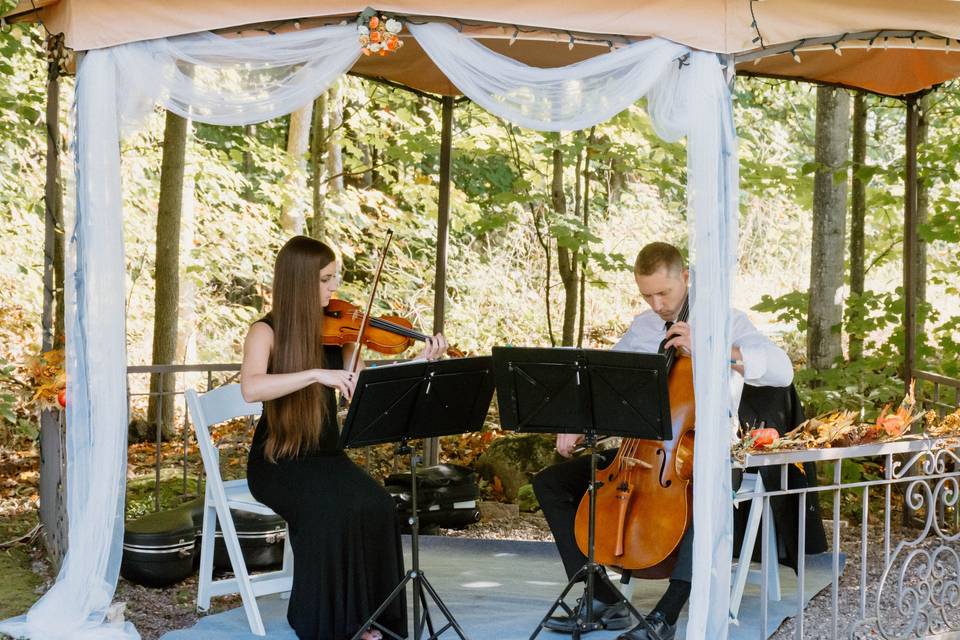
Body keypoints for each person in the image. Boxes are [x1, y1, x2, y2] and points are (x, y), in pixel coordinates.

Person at [532, 241, 793, 640]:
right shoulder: (643, 327)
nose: (656, 304)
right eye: (647, 295)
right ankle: (601, 595)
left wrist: (713, 349)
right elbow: (610, 383)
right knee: (551, 482)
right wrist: (576, 420)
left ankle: (666, 615)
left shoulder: (726, 321)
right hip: (639, 456)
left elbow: (782, 370)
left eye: (663, 293)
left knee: (708, 492)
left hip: (703, 458)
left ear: (685, 279)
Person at [241, 235, 448, 640]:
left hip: (326, 456)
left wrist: (420, 360)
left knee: (376, 505)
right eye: (325, 279)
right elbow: (251, 387)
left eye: (334, 278)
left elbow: (370, 382)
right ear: (300, 281)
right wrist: (316, 373)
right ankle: (322, 623)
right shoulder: (264, 331)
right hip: (278, 460)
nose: (334, 289)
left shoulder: (340, 331)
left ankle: (370, 618)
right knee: (328, 510)